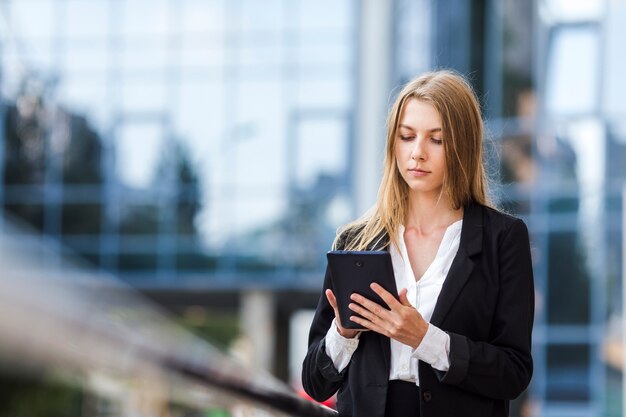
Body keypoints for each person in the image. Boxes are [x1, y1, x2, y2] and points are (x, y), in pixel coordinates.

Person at [301, 70, 534, 417]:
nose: (417, 153)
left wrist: (425, 338)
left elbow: (513, 372)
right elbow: (315, 383)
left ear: (463, 146)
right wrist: (344, 333)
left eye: (436, 140)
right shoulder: (357, 241)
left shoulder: (502, 239)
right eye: (407, 137)